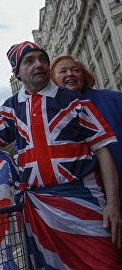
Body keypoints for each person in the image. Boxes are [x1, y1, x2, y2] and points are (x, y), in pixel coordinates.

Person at [0, 41, 122, 269]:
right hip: (40, 208)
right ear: (17, 72)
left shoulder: (74, 101)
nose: (39, 64)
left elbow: (102, 150)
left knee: (105, 263)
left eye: (42, 59)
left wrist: (114, 204)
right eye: (29, 61)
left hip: (84, 202)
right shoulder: (10, 107)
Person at [51, 54, 122, 213]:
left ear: (83, 76)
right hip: (90, 202)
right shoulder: (53, 116)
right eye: (63, 71)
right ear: (53, 81)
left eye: (75, 70)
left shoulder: (113, 98)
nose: (70, 74)